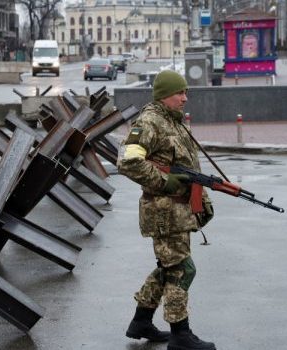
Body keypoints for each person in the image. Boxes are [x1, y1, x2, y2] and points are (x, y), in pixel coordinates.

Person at [118, 70, 216, 350]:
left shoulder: (171, 121)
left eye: (186, 92)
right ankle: (180, 334)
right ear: (164, 95)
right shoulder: (149, 122)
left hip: (177, 210)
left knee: (168, 267)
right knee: (182, 270)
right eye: (180, 93)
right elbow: (127, 161)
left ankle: (141, 321)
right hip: (164, 212)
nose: (185, 98)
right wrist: (165, 181)